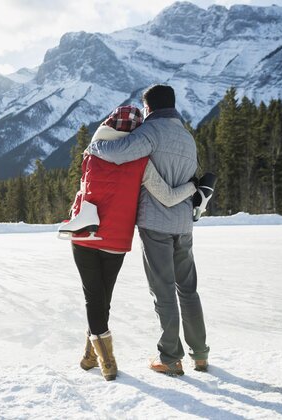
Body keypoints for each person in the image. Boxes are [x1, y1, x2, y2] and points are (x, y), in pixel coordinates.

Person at [88, 84, 210, 376]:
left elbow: (118, 153)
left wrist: (94, 146)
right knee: (188, 289)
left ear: (149, 108)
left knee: (164, 291)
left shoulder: (151, 131)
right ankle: (201, 354)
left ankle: (169, 358)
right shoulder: (186, 137)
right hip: (183, 224)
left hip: (156, 223)